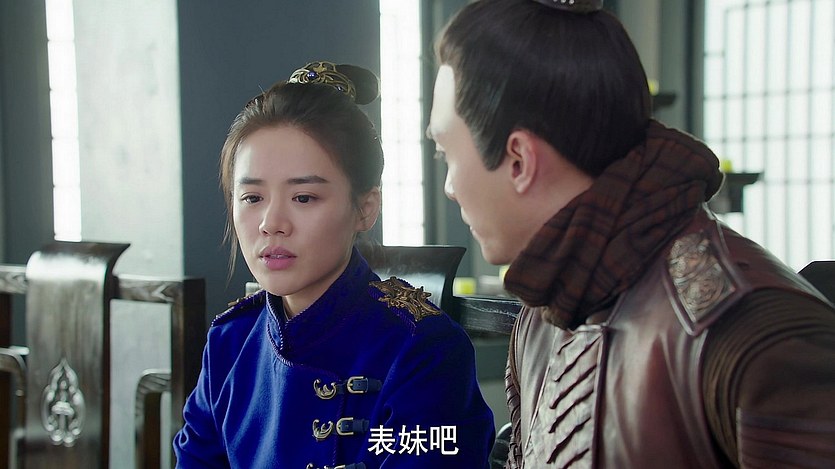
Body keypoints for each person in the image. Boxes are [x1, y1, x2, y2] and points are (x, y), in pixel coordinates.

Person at [427, 1, 835, 467]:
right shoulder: (540, 318)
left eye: (446, 154)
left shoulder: (748, 333)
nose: (450, 187)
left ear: (519, 160)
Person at [174, 61, 495, 468]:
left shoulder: (421, 349)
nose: (272, 223)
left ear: (365, 208)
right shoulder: (230, 342)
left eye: (304, 197)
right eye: (252, 198)